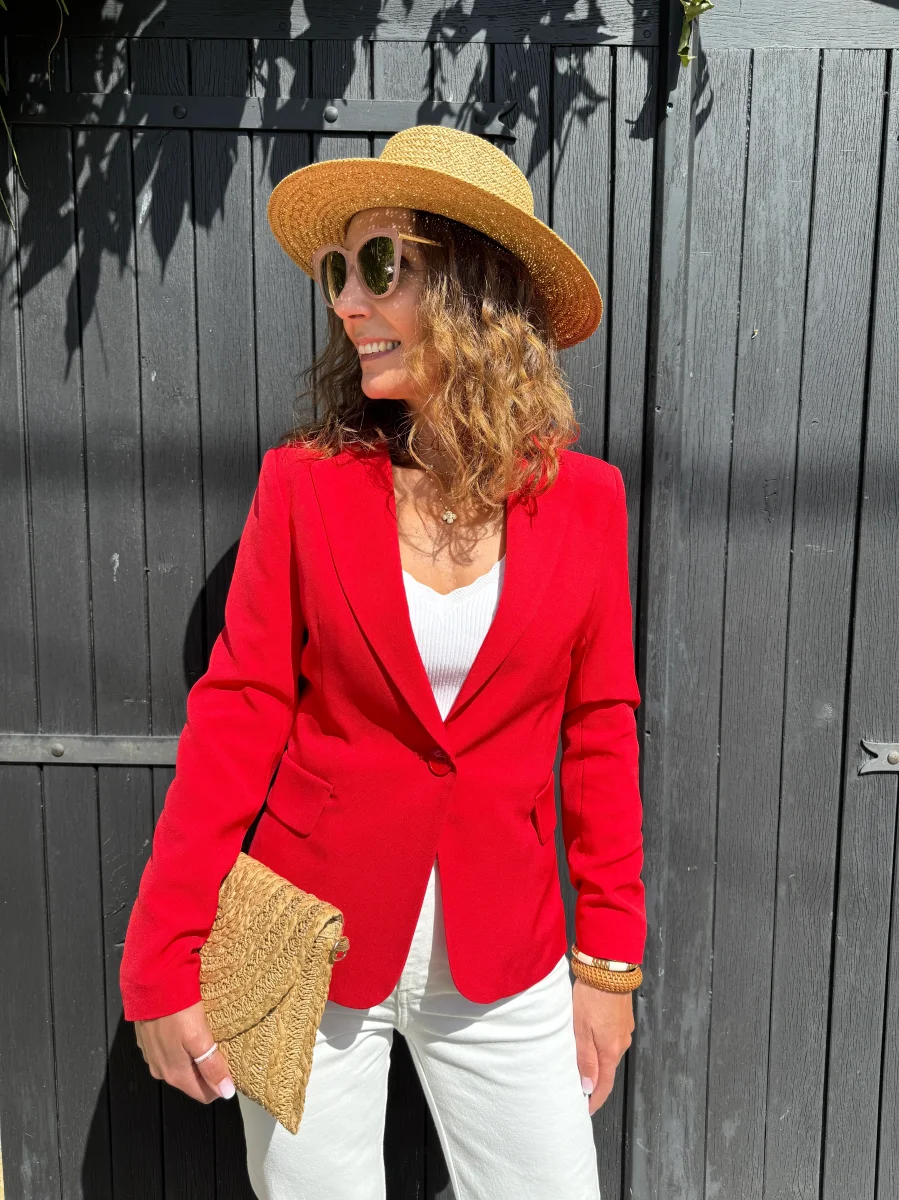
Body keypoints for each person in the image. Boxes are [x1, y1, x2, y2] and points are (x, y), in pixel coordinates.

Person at [120, 125, 646, 1200]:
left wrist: (607, 967)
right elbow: (236, 715)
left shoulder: (586, 504)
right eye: (335, 272)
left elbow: (599, 733)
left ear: (473, 288)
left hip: (503, 948)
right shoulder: (304, 487)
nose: (346, 304)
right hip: (293, 937)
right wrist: (160, 954)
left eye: (377, 265)